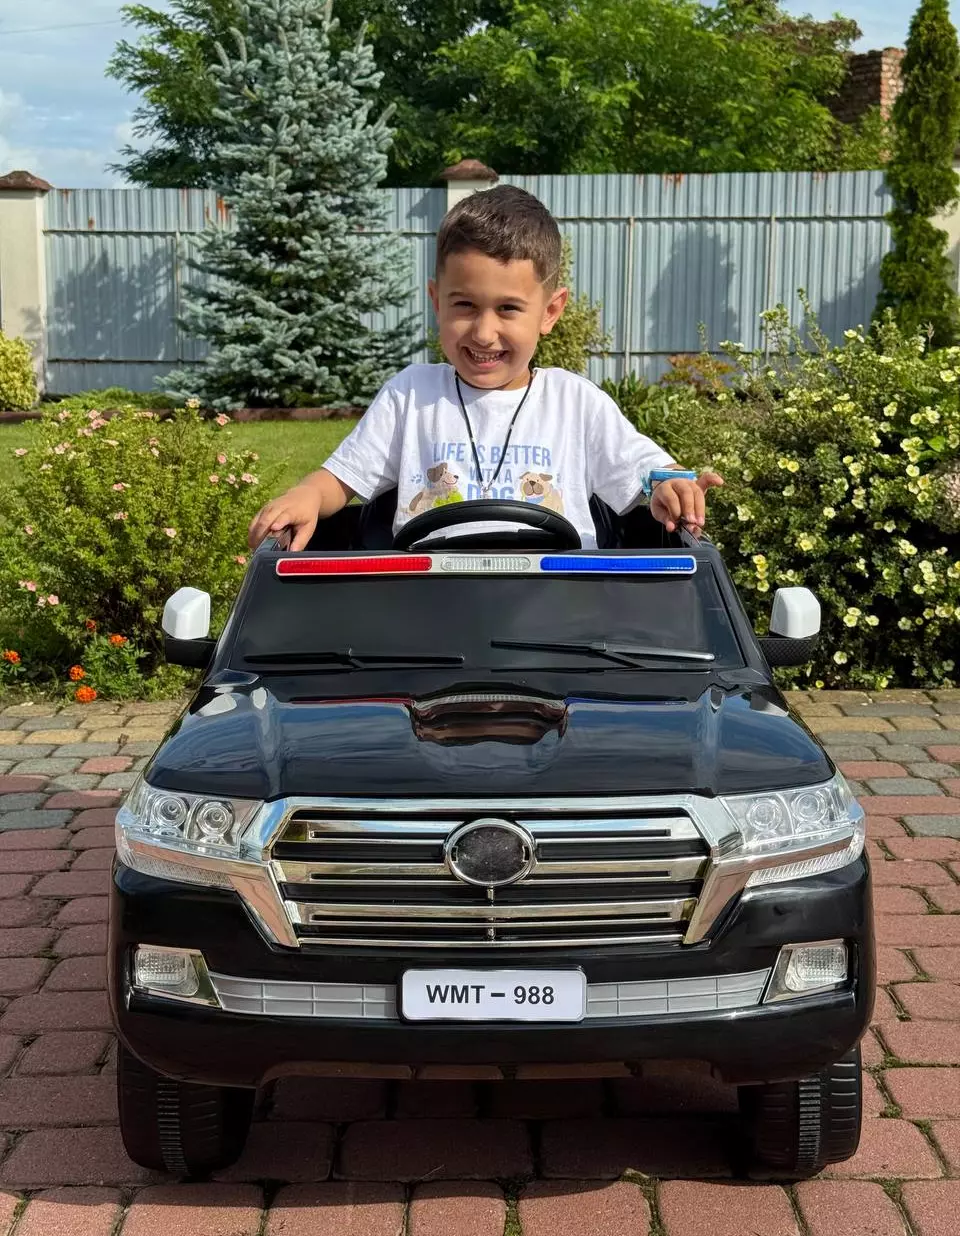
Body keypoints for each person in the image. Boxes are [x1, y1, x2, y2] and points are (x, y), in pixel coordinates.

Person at [248, 185, 722, 551]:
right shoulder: (411, 396)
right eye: (465, 305)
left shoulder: (575, 403)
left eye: (508, 309)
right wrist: (306, 496)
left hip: (559, 618)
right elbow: (339, 479)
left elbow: (647, 470)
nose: (483, 332)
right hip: (427, 616)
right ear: (437, 301)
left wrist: (672, 485)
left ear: (550, 312)